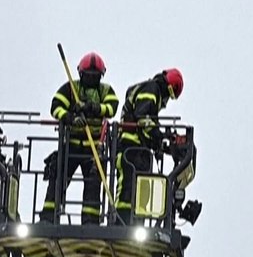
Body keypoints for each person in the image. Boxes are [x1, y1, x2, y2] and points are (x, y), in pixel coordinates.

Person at [40, 52, 119, 224]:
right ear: (81, 74)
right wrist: (70, 117)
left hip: (94, 147)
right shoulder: (70, 88)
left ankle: (90, 221)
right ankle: (48, 217)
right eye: (89, 76)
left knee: (93, 183)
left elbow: (112, 108)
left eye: (95, 76)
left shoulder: (106, 90)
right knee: (58, 178)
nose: (92, 79)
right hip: (72, 145)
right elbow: (55, 107)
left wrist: (93, 108)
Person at [114, 68, 184, 224]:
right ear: (167, 86)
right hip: (128, 147)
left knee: (141, 190)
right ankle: (121, 223)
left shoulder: (154, 95)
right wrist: (161, 135)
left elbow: (149, 126)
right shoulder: (152, 89)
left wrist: (165, 143)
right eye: (169, 94)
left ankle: (135, 223)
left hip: (139, 150)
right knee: (127, 189)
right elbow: (143, 118)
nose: (167, 101)